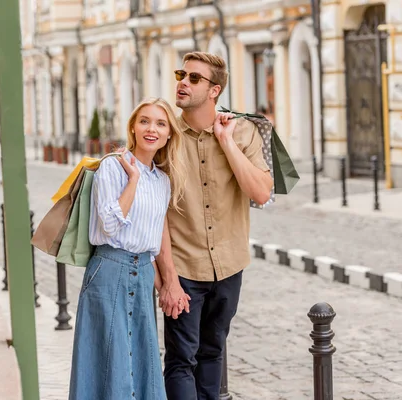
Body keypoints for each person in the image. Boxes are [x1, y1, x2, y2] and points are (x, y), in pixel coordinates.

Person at [155, 52, 274, 400]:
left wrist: (226, 142)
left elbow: (261, 192)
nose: (183, 82)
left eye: (194, 78)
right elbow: (155, 213)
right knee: (180, 360)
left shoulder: (243, 131)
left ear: (214, 90)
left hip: (228, 264)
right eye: (182, 74)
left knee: (212, 353)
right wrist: (168, 277)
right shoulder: (165, 136)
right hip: (184, 268)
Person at [68, 97, 189, 400]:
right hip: (109, 270)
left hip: (144, 273)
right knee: (110, 361)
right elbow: (110, 224)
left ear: (169, 133)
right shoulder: (112, 167)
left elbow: (153, 235)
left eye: (161, 123)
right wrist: (132, 179)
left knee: (142, 359)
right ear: (133, 127)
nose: (152, 129)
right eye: (144, 121)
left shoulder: (162, 180)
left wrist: (165, 284)